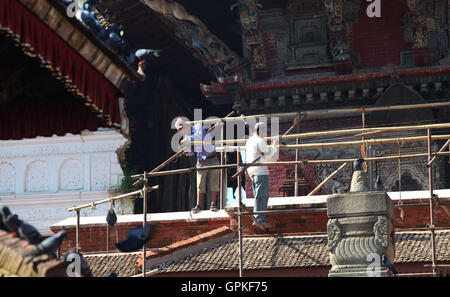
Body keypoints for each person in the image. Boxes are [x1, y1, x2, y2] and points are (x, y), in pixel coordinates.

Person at [175, 118, 220, 213]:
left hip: (213, 158)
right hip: (201, 160)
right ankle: (198, 205)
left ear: (186, 125)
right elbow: (191, 152)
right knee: (200, 184)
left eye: (181, 128)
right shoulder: (186, 137)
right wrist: (185, 150)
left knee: (214, 183)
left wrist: (187, 140)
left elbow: (199, 136)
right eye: (179, 130)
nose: (181, 131)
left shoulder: (197, 126)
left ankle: (213, 204)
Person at [245, 122, 279, 228]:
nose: (265, 134)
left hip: (252, 171)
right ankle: (259, 218)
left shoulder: (249, 141)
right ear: (260, 131)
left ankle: (258, 216)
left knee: (258, 195)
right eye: (264, 131)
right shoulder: (260, 140)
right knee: (262, 195)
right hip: (260, 171)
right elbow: (268, 155)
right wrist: (275, 144)